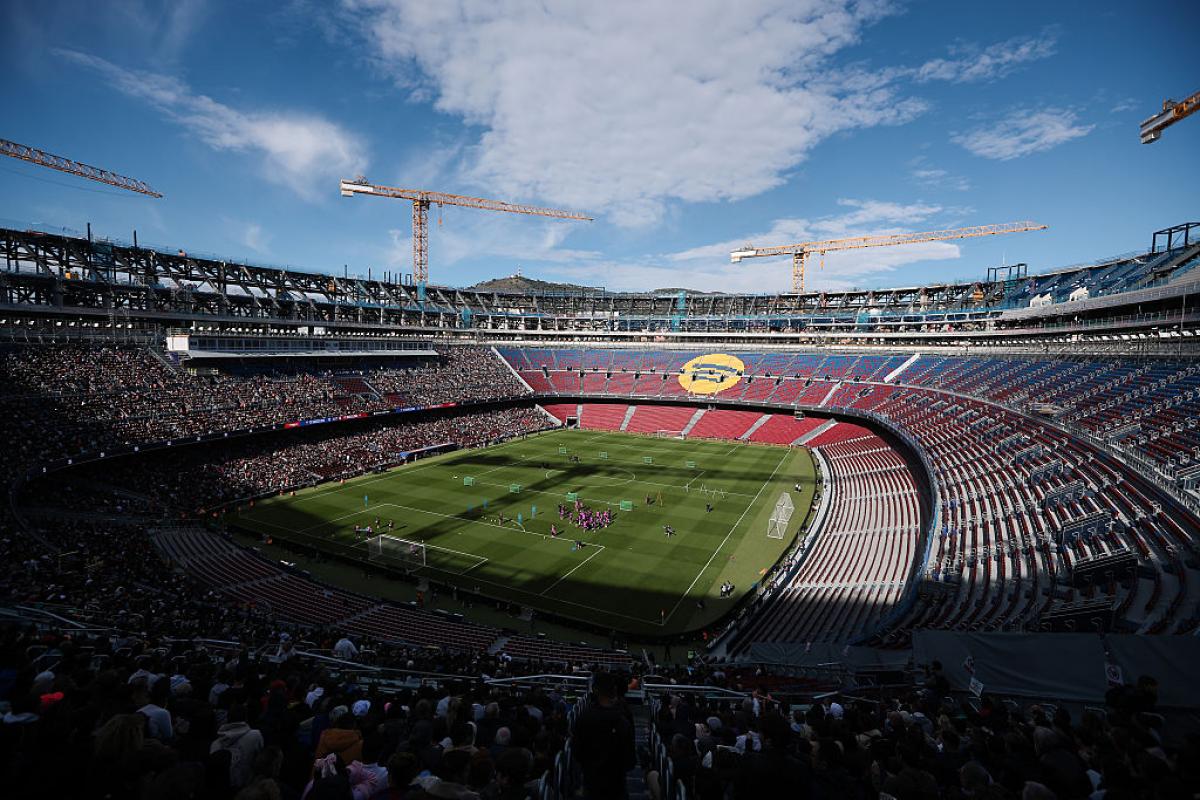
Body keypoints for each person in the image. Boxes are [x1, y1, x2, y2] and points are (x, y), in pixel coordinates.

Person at [574, 672, 635, 799]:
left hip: (592, 785)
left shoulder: (584, 718)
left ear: (595, 689)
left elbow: (577, 754)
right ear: (613, 689)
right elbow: (630, 761)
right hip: (616, 787)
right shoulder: (623, 719)